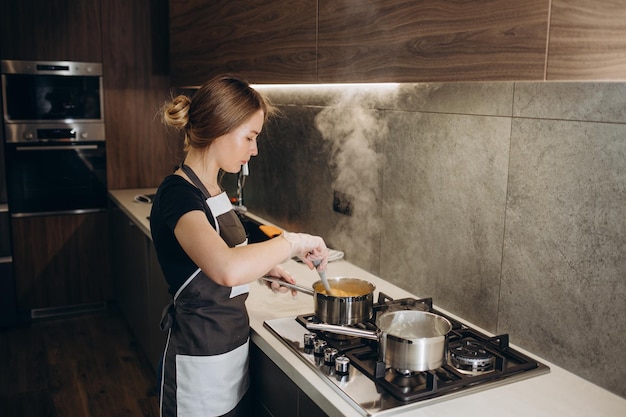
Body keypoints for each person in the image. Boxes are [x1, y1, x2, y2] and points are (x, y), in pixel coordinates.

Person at [150, 74, 329, 417]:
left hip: (232, 358)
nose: (254, 149)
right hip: (199, 367)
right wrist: (292, 241)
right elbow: (225, 267)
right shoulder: (178, 194)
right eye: (249, 137)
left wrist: (264, 270)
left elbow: (226, 259)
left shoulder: (213, 189)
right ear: (219, 128)